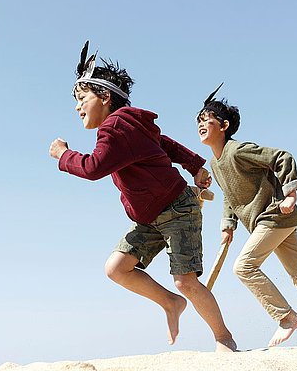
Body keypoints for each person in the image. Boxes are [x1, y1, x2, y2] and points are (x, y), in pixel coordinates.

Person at [48, 42, 237, 352]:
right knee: (117, 268)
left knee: (185, 280)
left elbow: (93, 167)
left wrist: (63, 155)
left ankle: (224, 339)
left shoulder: (116, 127)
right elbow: (164, 143)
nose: (77, 106)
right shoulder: (132, 126)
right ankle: (171, 304)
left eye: (82, 98)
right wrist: (195, 164)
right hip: (151, 217)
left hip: (176, 209)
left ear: (105, 97)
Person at [196, 84, 297, 347]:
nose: (201, 125)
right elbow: (229, 194)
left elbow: (282, 157)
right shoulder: (215, 163)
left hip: (274, 216)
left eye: (207, 120)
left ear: (223, 125)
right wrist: (228, 224)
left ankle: (287, 317)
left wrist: (291, 193)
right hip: (269, 223)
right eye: (198, 121)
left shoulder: (238, 150)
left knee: (244, 267)